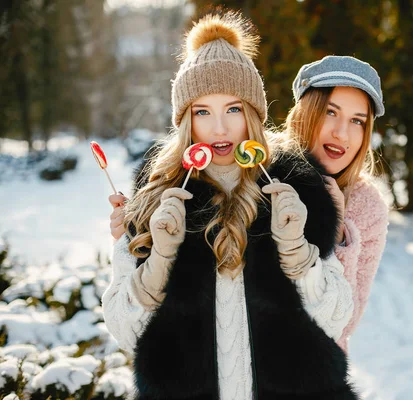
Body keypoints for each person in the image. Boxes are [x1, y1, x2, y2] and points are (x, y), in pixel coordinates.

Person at [101, 11, 358, 399]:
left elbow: (336, 319)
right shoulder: (154, 201)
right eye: (203, 112)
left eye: (233, 109)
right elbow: (126, 333)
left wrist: (298, 255)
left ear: (253, 115)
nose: (219, 128)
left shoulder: (297, 189)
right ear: (185, 120)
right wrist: (157, 264)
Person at [283, 55, 389, 353]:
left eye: (358, 121)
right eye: (331, 112)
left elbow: (345, 322)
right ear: (305, 113)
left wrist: (337, 232)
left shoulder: (366, 207)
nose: (342, 133)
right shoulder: (260, 177)